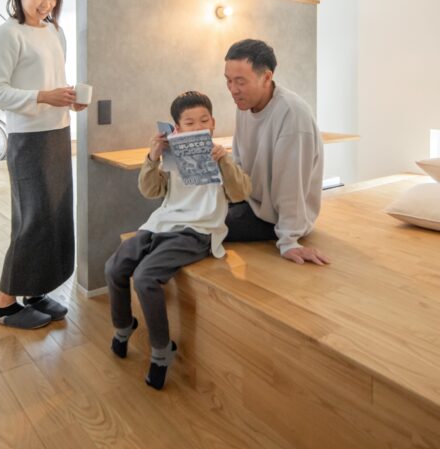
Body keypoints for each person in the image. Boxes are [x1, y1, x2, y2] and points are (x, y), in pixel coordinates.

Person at [105, 91, 251, 389]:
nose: (198, 127)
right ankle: (123, 326)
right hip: (160, 224)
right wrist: (152, 157)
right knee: (114, 266)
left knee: (145, 277)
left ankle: (161, 351)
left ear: (213, 123)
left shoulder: (223, 155)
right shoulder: (171, 156)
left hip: (198, 230)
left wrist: (224, 162)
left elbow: (240, 194)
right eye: (189, 123)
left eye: (204, 121)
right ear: (177, 128)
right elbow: (151, 191)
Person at [0, 0, 87, 329]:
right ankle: (5, 304)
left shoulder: (55, 32)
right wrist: (43, 96)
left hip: (58, 133)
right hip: (27, 139)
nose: (47, 4)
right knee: (33, 220)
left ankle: (35, 290)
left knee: (55, 217)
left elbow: (51, 80)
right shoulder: (7, 34)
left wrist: (69, 99)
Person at [223, 39, 330, 266]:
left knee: (198, 224)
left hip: (274, 218)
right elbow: (239, 162)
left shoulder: (292, 116)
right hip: (251, 202)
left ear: (267, 77)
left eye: (240, 81)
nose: (233, 89)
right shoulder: (245, 106)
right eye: (228, 80)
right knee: (186, 211)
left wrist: (289, 241)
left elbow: (292, 185)